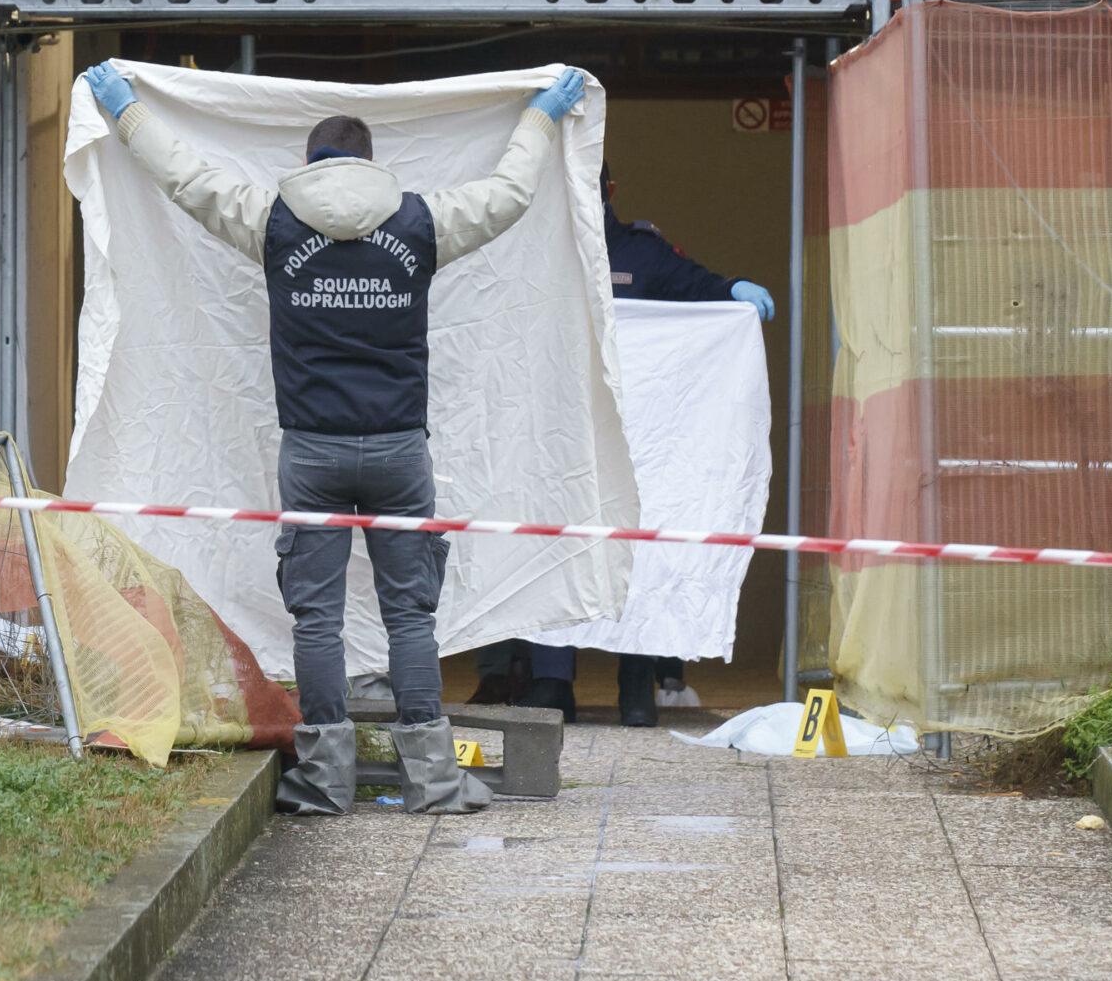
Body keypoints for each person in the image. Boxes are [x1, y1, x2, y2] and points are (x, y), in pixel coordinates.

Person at [81, 57, 587, 816]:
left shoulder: (273, 220)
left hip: (311, 451)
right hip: (398, 451)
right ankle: (433, 778)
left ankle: (323, 779)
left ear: (310, 165)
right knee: (410, 614)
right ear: (370, 164)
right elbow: (511, 194)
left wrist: (126, 112)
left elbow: (184, 176)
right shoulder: (419, 222)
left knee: (316, 617)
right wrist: (541, 115)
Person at [473, 161, 774, 727]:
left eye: (594, 184)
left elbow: (697, 290)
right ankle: (551, 682)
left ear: (611, 189)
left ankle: (635, 680)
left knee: (639, 545)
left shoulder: (642, 252)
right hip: (558, 435)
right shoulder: (536, 252)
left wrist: (731, 292)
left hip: (641, 441)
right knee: (555, 545)